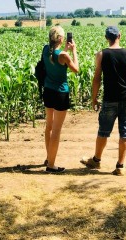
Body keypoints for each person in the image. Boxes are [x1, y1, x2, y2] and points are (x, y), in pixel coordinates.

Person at [80, 26, 126, 176]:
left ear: (106, 37)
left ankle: (96, 160)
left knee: (103, 131)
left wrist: (94, 98)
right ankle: (120, 165)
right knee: (125, 132)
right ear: (119, 35)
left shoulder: (101, 54)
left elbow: (96, 79)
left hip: (109, 99)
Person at [43, 25, 79, 173]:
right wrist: (74, 51)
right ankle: (51, 165)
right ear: (62, 38)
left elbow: (55, 56)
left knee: (49, 126)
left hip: (48, 90)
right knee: (57, 130)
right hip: (60, 93)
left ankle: (48, 157)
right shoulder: (64, 56)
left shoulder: (46, 49)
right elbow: (76, 69)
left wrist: (65, 49)